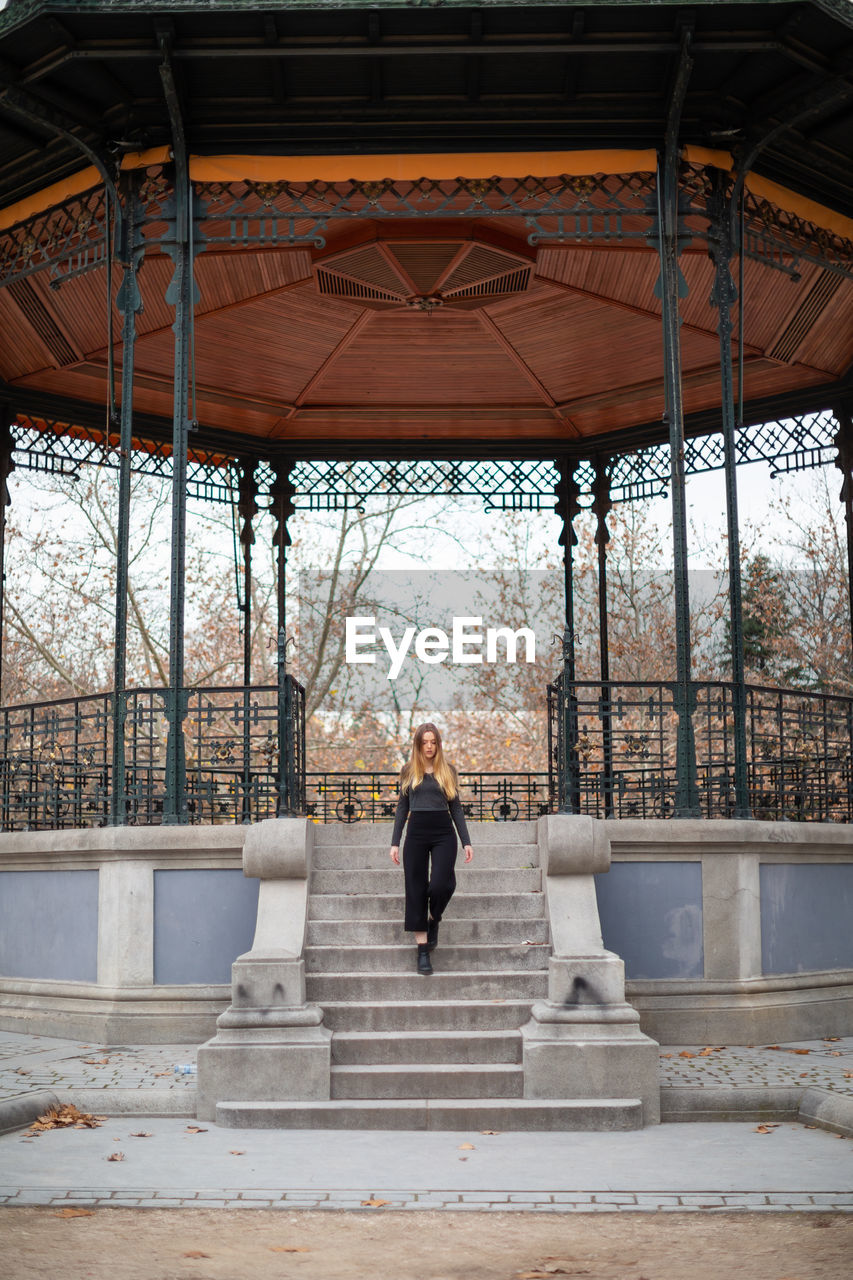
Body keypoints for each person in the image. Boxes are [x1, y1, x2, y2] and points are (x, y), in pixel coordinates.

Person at [389, 722, 474, 976]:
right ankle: (423, 951)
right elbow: (402, 808)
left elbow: (456, 808)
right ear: (418, 745)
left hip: (443, 833)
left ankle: (434, 918)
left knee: (441, 884)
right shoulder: (408, 771)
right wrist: (395, 842)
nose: (429, 747)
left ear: (438, 744)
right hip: (415, 834)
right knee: (415, 889)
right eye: (424, 742)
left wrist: (466, 841)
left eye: (433, 742)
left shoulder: (448, 770)